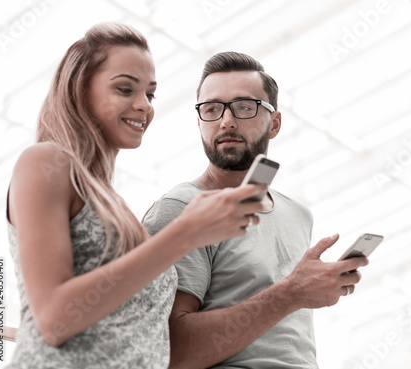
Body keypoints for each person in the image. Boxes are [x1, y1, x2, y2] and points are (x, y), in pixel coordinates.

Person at [5, 24, 266, 369]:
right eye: (125, 89)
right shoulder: (46, 161)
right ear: (79, 90)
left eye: (151, 94)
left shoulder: (117, 208)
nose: (143, 105)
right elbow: (54, 319)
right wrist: (186, 233)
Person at [142, 51, 369, 369]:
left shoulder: (297, 214)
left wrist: (308, 289)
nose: (226, 120)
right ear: (199, 122)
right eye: (211, 109)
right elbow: (169, 354)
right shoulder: (180, 210)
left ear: (274, 123)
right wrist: (291, 293)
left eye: (244, 107)